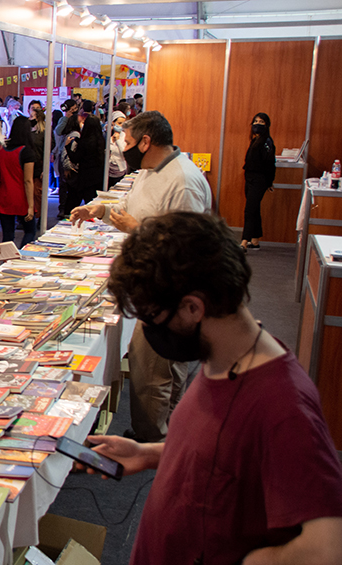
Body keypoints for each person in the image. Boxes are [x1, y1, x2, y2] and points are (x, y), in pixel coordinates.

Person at [83, 211, 342, 565]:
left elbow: (328, 547)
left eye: (152, 317)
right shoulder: (224, 359)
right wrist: (151, 454)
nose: (149, 328)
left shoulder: (282, 405)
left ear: (192, 307)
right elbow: (227, 458)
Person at [71, 110, 212, 442]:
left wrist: (137, 230)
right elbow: (133, 208)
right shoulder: (151, 171)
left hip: (169, 289)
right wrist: (102, 210)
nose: (124, 148)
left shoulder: (182, 180)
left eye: (129, 142)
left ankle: (154, 441)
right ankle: (164, 432)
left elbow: (185, 246)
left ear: (146, 142)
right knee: (160, 366)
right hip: (149, 282)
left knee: (154, 372)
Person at [0, 116, 38, 247]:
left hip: (3, 196)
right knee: (30, 231)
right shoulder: (27, 152)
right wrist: (31, 206)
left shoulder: (0, 150)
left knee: (7, 236)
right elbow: (28, 181)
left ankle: (7, 257)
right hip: (21, 197)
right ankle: (23, 254)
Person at [242, 112, 275, 251]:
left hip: (259, 180)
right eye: (255, 121)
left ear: (267, 125)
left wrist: (269, 182)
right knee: (254, 209)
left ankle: (244, 242)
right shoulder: (255, 140)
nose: (257, 124)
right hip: (249, 178)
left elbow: (270, 164)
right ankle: (255, 240)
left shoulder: (267, 142)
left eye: (261, 122)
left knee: (249, 210)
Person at [66, 106, 105, 212]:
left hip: (86, 175)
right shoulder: (101, 140)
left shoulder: (85, 142)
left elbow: (75, 158)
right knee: (95, 201)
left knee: (85, 199)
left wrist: (68, 147)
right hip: (98, 174)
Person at [107, 111, 128, 187]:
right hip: (108, 171)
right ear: (113, 123)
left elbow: (124, 152)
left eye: (123, 124)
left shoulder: (125, 136)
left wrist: (118, 141)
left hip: (119, 170)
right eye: (119, 123)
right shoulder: (108, 135)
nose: (121, 126)